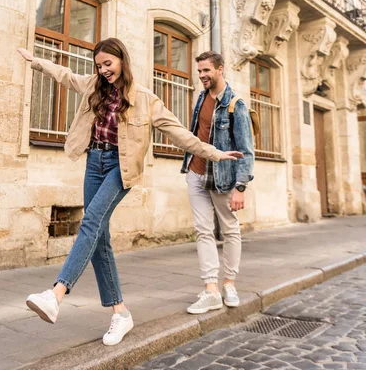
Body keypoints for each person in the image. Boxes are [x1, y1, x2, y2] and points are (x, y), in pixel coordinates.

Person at [17, 39, 244, 346]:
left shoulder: (145, 99)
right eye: (99, 65)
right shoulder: (93, 86)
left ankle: (56, 293)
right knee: (99, 240)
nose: (103, 70)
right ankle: (120, 312)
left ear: (122, 60)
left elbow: (179, 133)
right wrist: (35, 61)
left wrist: (215, 153)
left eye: (108, 64)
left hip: (120, 168)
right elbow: (65, 75)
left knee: (90, 221)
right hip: (93, 162)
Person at [181, 51, 254, 314]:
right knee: (202, 230)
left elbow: (246, 150)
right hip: (196, 172)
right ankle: (210, 289)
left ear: (220, 70)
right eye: (199, 71)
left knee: (230, 230)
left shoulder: (236, 105)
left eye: (206, 71)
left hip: (223, 179)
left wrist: (240, 186)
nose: (201, 75)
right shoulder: (201, 98)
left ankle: (229, 283)